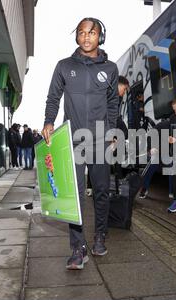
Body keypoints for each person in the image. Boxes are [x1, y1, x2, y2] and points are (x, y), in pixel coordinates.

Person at [42, 17, 119, 270]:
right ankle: (78, 248)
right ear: (76, 36)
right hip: (72, 138)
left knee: (101, 191)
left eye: (92, 32)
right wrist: (49, 122)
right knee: (73, 195)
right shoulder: (64, 66)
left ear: (100, 37)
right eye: (82, 32)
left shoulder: (110, 69)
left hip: (100, 138)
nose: (87, 37)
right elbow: (53, 97)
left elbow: (113, 104)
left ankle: (99, 236)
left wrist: (112, 132)